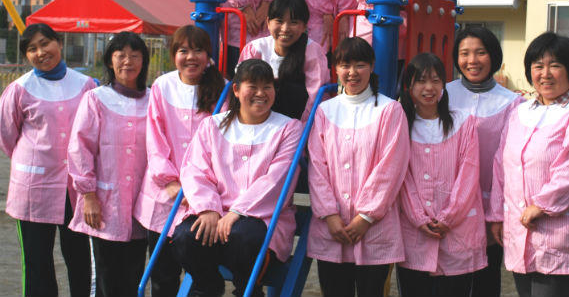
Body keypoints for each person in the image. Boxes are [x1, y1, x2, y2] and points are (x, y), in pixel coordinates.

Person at [171, 59, 302, 297]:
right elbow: (195, 169)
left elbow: (277, 179)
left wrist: (237, 212)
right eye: (252, 86)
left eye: (267, 87)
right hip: (215, 209)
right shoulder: (212, 126)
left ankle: (248, 290)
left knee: (244, 239)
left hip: (261, 215)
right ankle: (207, 287)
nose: (261, 93)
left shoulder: (288, 129)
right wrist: (208, 208)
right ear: (236, 90)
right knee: (184, 237)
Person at [488, 32, 569, 297]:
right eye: (538, 66)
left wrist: (542, 205)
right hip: (519, 228)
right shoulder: (520, 112)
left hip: (560, 231)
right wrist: (496, 215)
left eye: (555, 65)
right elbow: (500, 165)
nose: (545, 74)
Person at [307, 37, 409, 297]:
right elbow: (317, 167)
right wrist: (329, 215)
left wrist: (365, 217)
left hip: (375, 228)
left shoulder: (390, 110)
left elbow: (391, 167)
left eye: (360, 65)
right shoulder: (325, 111)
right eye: (345, 65)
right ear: (336, 69)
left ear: (372, 67)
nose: (352, 72)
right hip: (332, 227)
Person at [0, 23, 94, 297]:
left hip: (76, 187)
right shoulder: (19, 89)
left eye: (45, 43)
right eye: (32, 49)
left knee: (79, 257)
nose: (41, 52)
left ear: (59, 43)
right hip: (34, 187)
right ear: (26, 56)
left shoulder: (85, 85)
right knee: (37, 260)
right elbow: (7, 135)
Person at [133, 25, 226, 296]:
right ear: (174, 54)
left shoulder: (221, 90)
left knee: (200, 271)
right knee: (162, 275)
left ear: (209, 54)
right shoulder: (163, 86)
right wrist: (171, 182)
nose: (191, 57)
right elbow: (155, 139)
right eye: (183, 50)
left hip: (202, 199)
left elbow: (221, 148)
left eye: (198, 50)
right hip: (164, 195)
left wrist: (199, 190)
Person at [68, 32, 150, 297]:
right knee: (105, 275)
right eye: (121, 55)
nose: (128, 61)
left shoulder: (154, 100)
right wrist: (88, 195)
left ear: (144, 61)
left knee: (135, 274)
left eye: (135, 55)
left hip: (142, 204)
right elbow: (80, 149)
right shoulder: (96, 99)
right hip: (104, 203)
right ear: (110, 60)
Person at [397, 53, 486, 297]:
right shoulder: (401, 124)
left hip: (458, 231)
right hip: (414, 233)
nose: (429, 88)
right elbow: (402, 179)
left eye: (436, 81)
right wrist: (418, 217)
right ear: (409, 86)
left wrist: (448, 217)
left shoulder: (463, 123)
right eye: (421, 81)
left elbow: (469, 175)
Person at [446, 26, 524, 297]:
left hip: (490, 206)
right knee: (451, 279)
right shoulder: (444, 94)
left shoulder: (513, 103)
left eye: (480, 53)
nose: (472, 61)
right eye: (464, 53)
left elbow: (510, 162)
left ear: (493, 56)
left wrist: (499, 213)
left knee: (486, 279)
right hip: (450, 205)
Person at [238, 0, 329, 121]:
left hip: (297, 123)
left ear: (304, 26)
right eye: (279, 21)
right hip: (259, 121)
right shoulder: (255, 49)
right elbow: (243, 90)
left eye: (293, 22)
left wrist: (301, 131)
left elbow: (315, 98)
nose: (285, 29)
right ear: (268, 22)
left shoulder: (312, 51)